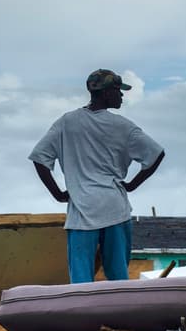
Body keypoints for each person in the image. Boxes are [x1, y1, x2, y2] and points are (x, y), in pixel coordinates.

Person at [30, 69, 165, 283]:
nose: (121, 96)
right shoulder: (123, 126)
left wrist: (57, 193)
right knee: (118, 277)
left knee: (81, 281)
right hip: (114, 208)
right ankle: (119, 316)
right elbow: (156, 154)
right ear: (106, 93)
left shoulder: (67, 122)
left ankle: (84, 315)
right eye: (118, 91)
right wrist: (132, 185)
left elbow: (40, 158)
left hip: (81, 211)